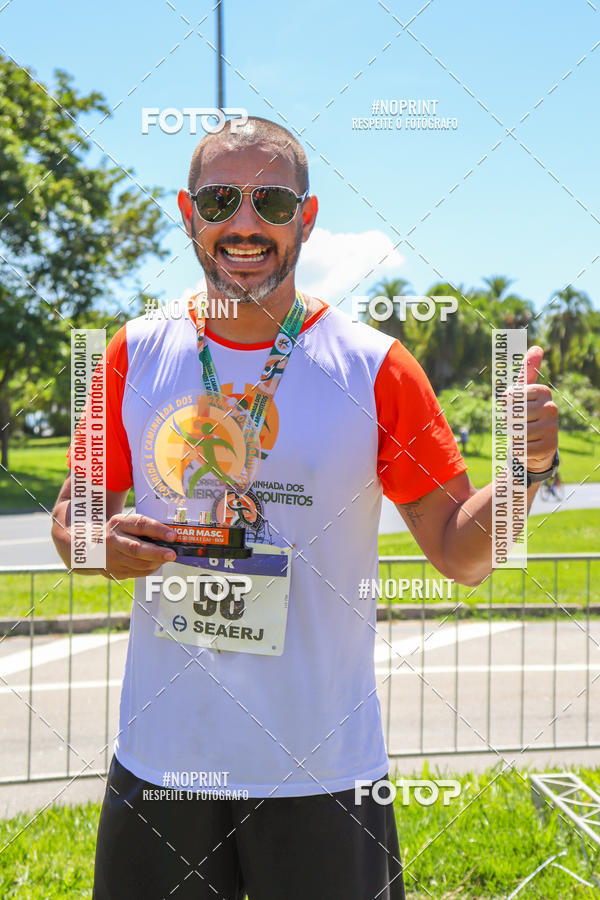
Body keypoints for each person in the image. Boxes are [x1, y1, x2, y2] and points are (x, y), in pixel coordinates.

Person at [51, 116, 559, 900]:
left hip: (324, 774)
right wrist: (98, 545)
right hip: (160, 765)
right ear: (189, 215)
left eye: (272, 203)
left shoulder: (375, 366)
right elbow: (71, 520)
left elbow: (462, 555)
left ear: (308, 218)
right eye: (222, 200)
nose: (245, 223)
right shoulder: (133, 352)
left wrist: (527, 471)